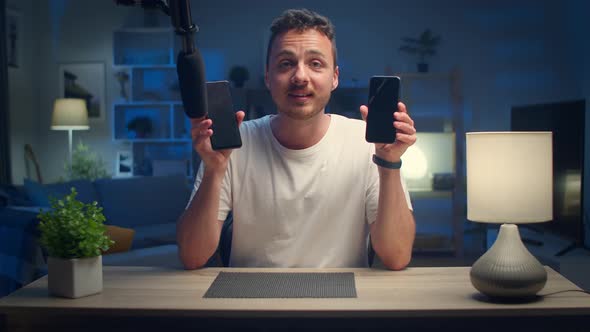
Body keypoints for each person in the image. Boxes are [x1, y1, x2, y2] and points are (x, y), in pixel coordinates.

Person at [177, 8, 416, 270]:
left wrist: (389, 163)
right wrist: (214, 170)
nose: (300, 77)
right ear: (268, 77)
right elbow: (192, 256)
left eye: (315, 63)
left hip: (339, 304)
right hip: (250, 303)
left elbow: (396, 256)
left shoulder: (368, 144)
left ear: (334, 77)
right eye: (286, 64)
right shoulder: (234, 145)